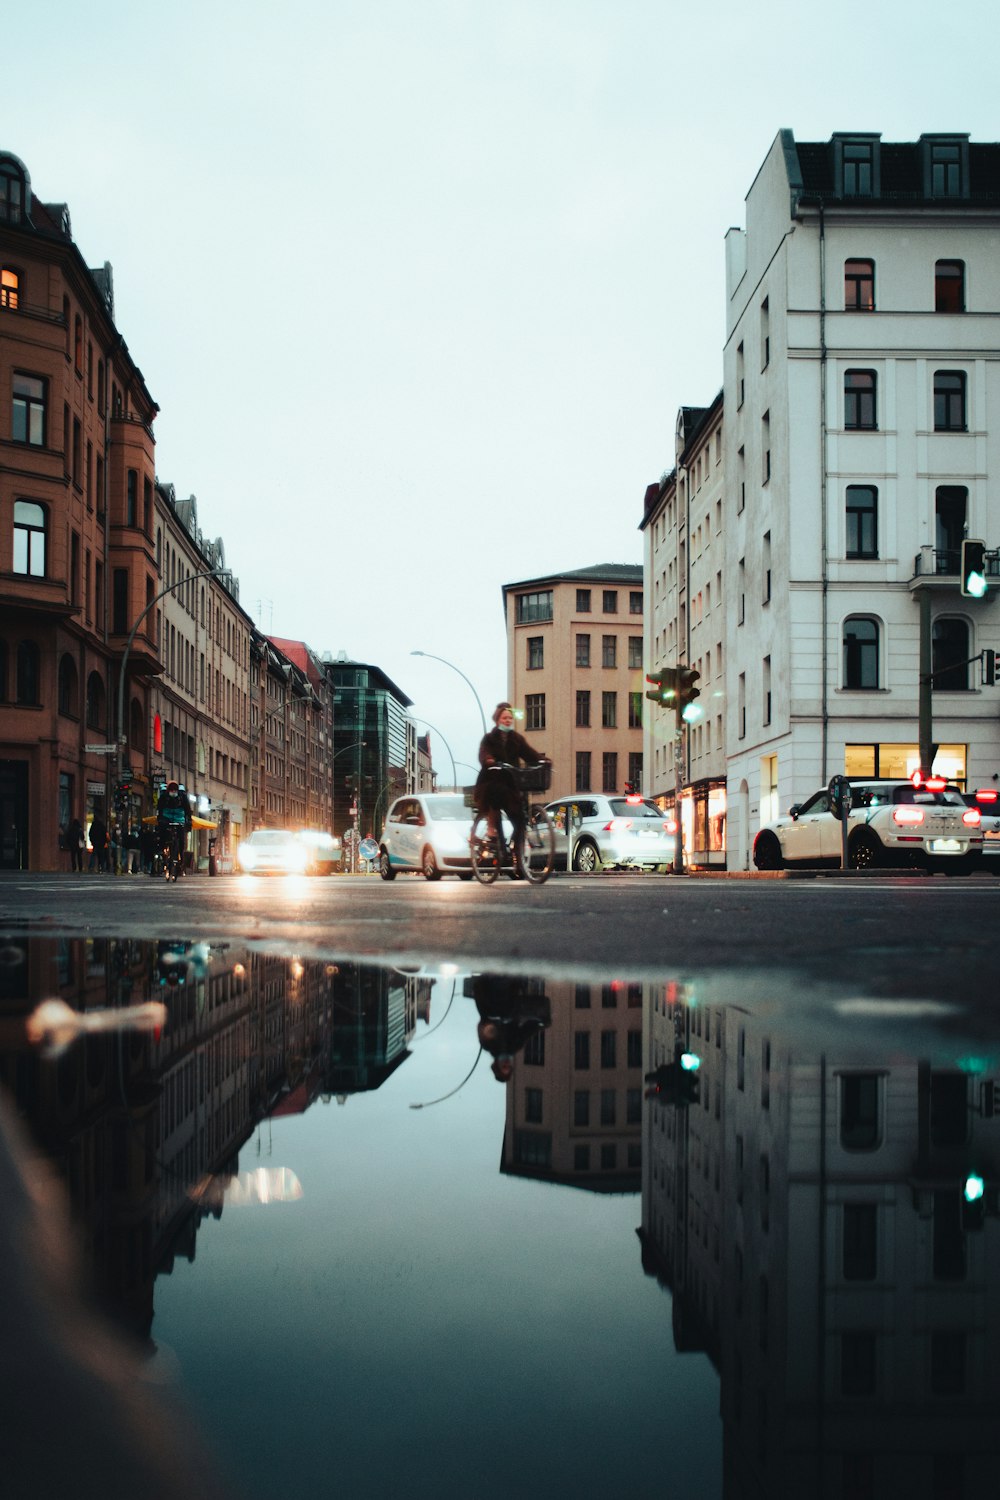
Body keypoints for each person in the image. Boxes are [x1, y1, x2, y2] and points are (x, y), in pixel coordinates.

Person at [474, 702, 546, 873]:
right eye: (504, 717)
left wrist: (542, 760)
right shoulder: (489, 738)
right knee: (494, 797)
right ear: (498, 719)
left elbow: (528, 753)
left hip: (510, 783)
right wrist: (489, 760)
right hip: (491, 780)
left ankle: (518, 857)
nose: (508, 720)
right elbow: (483, 752)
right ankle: (492, 831)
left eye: (510, 718)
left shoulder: (516, 739)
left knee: (520, 820)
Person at [156, 781, 193, 875]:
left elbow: (187, 809)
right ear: (168, 790)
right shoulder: (164, 796)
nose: (173, 792)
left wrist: (189, 821)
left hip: (179, 818)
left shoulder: (182, 797)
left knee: (181, 839)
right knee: (162, 833)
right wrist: (159, 819)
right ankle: (162, 849)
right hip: (166, 817)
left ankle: (180, 857)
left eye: (174, 790)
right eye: (171, 790)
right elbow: (159, 808)